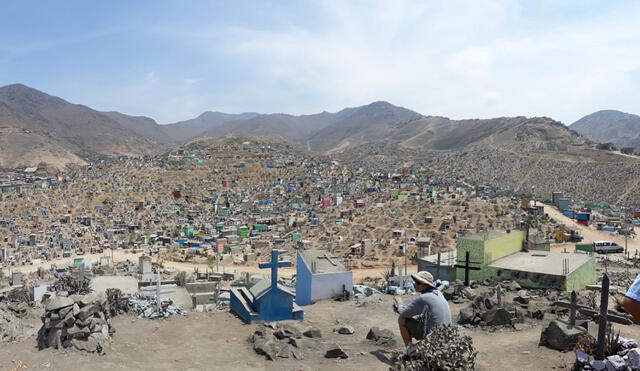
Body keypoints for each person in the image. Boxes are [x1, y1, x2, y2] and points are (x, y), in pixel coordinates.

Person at [395, 271, 452, 346]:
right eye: (415, 282)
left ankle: (409, 350)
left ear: (426, 285)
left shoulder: (424, 298)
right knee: (418, 319)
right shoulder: (438, 292)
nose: (415, 285)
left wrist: (399, 302)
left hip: (433, 340)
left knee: (402, 319)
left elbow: (403, 313)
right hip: (447, 337)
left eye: (418, 283)